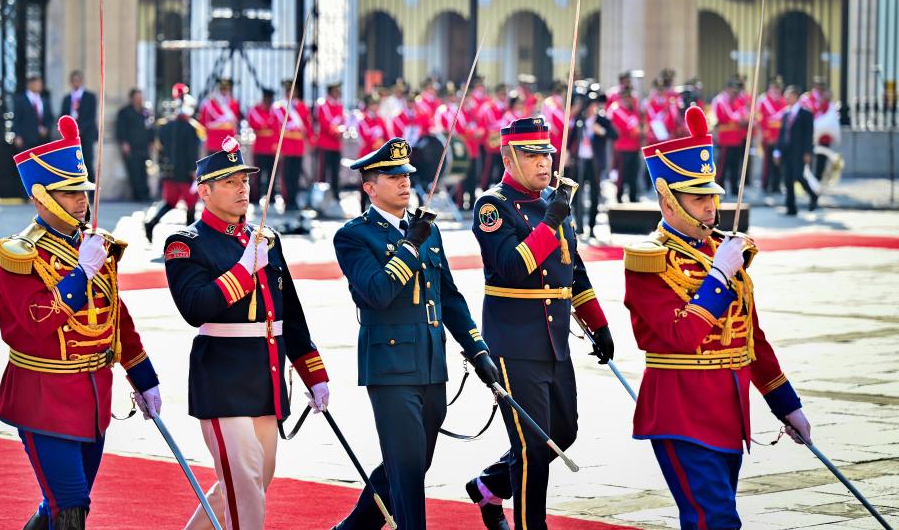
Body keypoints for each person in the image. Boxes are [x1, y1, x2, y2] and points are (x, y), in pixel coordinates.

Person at [625, 105, 812, 529]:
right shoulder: (649, 260)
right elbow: (682, 335)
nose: (711, 207)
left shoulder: (721, 252)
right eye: (698, 198)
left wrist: (786, 405)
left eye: (713, 196)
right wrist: (718, 275)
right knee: (715, 521)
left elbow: (752, 339)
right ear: (667, 199)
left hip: (730, 412)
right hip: (680, 412)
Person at [0, 115, 161, 530]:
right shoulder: (20, 255)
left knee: (63, 506)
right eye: (69, 193)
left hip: (92, 397)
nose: (81, 200)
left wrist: (144, 376)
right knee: (70, 508)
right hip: (43, 397)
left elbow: (115, 316)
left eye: (82, 190)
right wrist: (80, 275)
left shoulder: (93, 245)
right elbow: (37, 320)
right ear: (41, 197)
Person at [163, 137, 330, 530]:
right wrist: (242, 270)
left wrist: (313, 372)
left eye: (245, 180)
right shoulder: (186, 243)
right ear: (204, 191)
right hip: (223, 379)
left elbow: (290, 312)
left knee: (249, 484)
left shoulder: (265, 239)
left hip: (265, 377)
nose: (243, 188)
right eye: (230, 182)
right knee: (245, 488)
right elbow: (195, 308)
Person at [331, 138, 498, 530]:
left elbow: (450, 298)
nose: (405, 183)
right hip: (390, 367)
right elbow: (377, 293)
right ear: (370, 187)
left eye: (407, 175)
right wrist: (410, 246)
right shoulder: (354, 235)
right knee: (407, 470)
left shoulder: (424, 230)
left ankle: (353, 528)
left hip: (430, 363)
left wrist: (477, 350)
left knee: (411, 461)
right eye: (393, 177)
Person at [465, 117, 614, 530]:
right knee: (533, 447)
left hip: (554, 341)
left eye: (546, 154)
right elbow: (513, 267)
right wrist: (550, 222)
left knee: (564, 431)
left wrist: (598, 323)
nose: (543, 163)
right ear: (508, 157)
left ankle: (488, 485)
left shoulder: (553, 199)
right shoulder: (492, 206)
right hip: (514, 342)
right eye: (531, 155)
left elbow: (573, 269)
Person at [144, 84, 204, 242]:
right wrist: (194, 170)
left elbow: (161, 149)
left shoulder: (165, 127)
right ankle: (191, 239)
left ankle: (152, 223)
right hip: (186, 172)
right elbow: (193, 152)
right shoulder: (191, 128)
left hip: (170, 170)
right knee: (190, 205)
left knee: (170, 202)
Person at [569, 89, 617, 237]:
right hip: (580, 161)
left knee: (595, 194)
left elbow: (614, 134)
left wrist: (600, 131)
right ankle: (579, 226)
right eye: (589, 105)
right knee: (577, 194)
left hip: (595, 162)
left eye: (594, 105)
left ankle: (591, 226)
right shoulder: (580, 120)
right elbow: (570, 139)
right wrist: (568, 153)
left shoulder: (601, 119)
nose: (591, 108)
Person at [776, 85, 818, 214]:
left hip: (799, 152)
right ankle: (791, 207)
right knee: (788, 179)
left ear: (795, 96)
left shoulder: (806, 114)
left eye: (788, 95)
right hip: (786, 152)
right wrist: (777, 151)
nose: (786, 98)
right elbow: (782, 134)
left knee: (799, 176)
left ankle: (813, 195)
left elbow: (808, 135)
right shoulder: (785, 113)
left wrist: (808, 152)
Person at [271, 78, 312, 211]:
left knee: (296, 175)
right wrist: (277, 144)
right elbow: (275, 127)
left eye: (293, 91)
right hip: (286, 145)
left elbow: (307, 125)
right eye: (289, 91)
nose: (291, 93)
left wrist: (310, 140)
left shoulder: (302, 107)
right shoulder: (279, 107)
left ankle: (294, 200)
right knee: (286, 176)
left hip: (298, 145)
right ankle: (287, 201)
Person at [116, 88, 153, 202]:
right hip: (131, 147)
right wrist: (124, 143)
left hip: (144, 146)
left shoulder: (145, 112)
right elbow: (120, 129)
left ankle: (146, 194)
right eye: (137, 97)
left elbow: (151, 128)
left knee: (144, 171)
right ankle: (138, 195)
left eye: (141, 97)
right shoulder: (124, 112)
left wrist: (151, 142)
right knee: (134, 171)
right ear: (132, 98)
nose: (139, 99)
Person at [61, 70, 99, 182]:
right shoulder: (67, 99)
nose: (76, 83)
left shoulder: (90, 96)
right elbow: (64, 115)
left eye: (78, 80)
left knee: (87, 160)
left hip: (86, 134)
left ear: (82, 81)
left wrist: (80, 129)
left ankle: (91, 188)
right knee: (73, 162)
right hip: (71, 136)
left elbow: (91, 116)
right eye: (74, 81)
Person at [712, 77, 748, 196]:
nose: (736, 94)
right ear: (728, 89)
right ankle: (720, 188)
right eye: (734, 91)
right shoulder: (721, 100)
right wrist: (740, 119)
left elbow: (744, 113)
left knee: (735, 165)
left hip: (736, 138)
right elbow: (726, 117)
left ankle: (734, 188)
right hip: (726, 139)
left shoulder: (737, 100)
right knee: (723, 165)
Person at [611, 86, 643, 203]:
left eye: (629, 97)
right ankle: (619, 196)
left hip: (634, 147)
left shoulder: (633, 110)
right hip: (623, 147)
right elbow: (619, 129)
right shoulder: (616, 110)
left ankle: (633, 196)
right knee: (622, 175)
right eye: (626, 97)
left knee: (633, 174)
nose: (628, 99)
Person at [247, 88, 278, 206]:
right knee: (258, 175)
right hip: (260, 147)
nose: (268, 102)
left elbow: (276, 128)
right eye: (267, 99)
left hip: (272, 148)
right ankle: (255, 196)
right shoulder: (255, 110)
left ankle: (271, 196)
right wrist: (266, 126)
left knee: (272, 175)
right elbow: (256, 124)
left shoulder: (274, 111)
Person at [316, 82, 346, 202]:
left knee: (335, 170)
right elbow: (325, 123)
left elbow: (343, 121)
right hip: (326, 143)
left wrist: (341, 130)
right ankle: (321, 194)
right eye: (336, 91)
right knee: (323, 170)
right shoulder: (324, 105)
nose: (338, 94)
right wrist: (336, 132)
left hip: (336, 144)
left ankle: (335, 192)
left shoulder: (339, 106)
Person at [757, 77, 788, 194]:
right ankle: (765, 185)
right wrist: (767, 135)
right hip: (768, 136)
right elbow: (761, 120)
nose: (777, 91)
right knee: (767, 163)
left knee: (778, 163)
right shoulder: (763, 101)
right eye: (775, 88)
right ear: (770, 88)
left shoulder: (782, 101)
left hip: (779, 137)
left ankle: (776, 185)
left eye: (778, 88)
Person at [478, 84, 509, 190]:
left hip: (503, 142)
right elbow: (490, 124)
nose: (504, 96)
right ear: (497, 94)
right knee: (489, 168)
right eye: (502, 94)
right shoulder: (489, 107)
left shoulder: (506, 107)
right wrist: (504, 121)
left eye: (505, 94)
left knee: (502, 168)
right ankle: (484, 189)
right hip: (492, 142)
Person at [199, 78, 241, 153]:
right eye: (222, 89)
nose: (224, 91)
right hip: (214, 141)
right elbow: (204, 123)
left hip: (229, 142)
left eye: (226, 88)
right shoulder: (208, 104)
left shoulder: (234, 103)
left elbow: (235, 122)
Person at [13, 75, 53, 151]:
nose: (40, 86)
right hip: (26, 140)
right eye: (37, 84)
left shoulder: (44, 100)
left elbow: (49, 117)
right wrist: (17, 136)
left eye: (41, 84)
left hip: (42, 140)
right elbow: (16, 120)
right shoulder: (20, 100)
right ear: (30, 84)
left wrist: (46, 129)